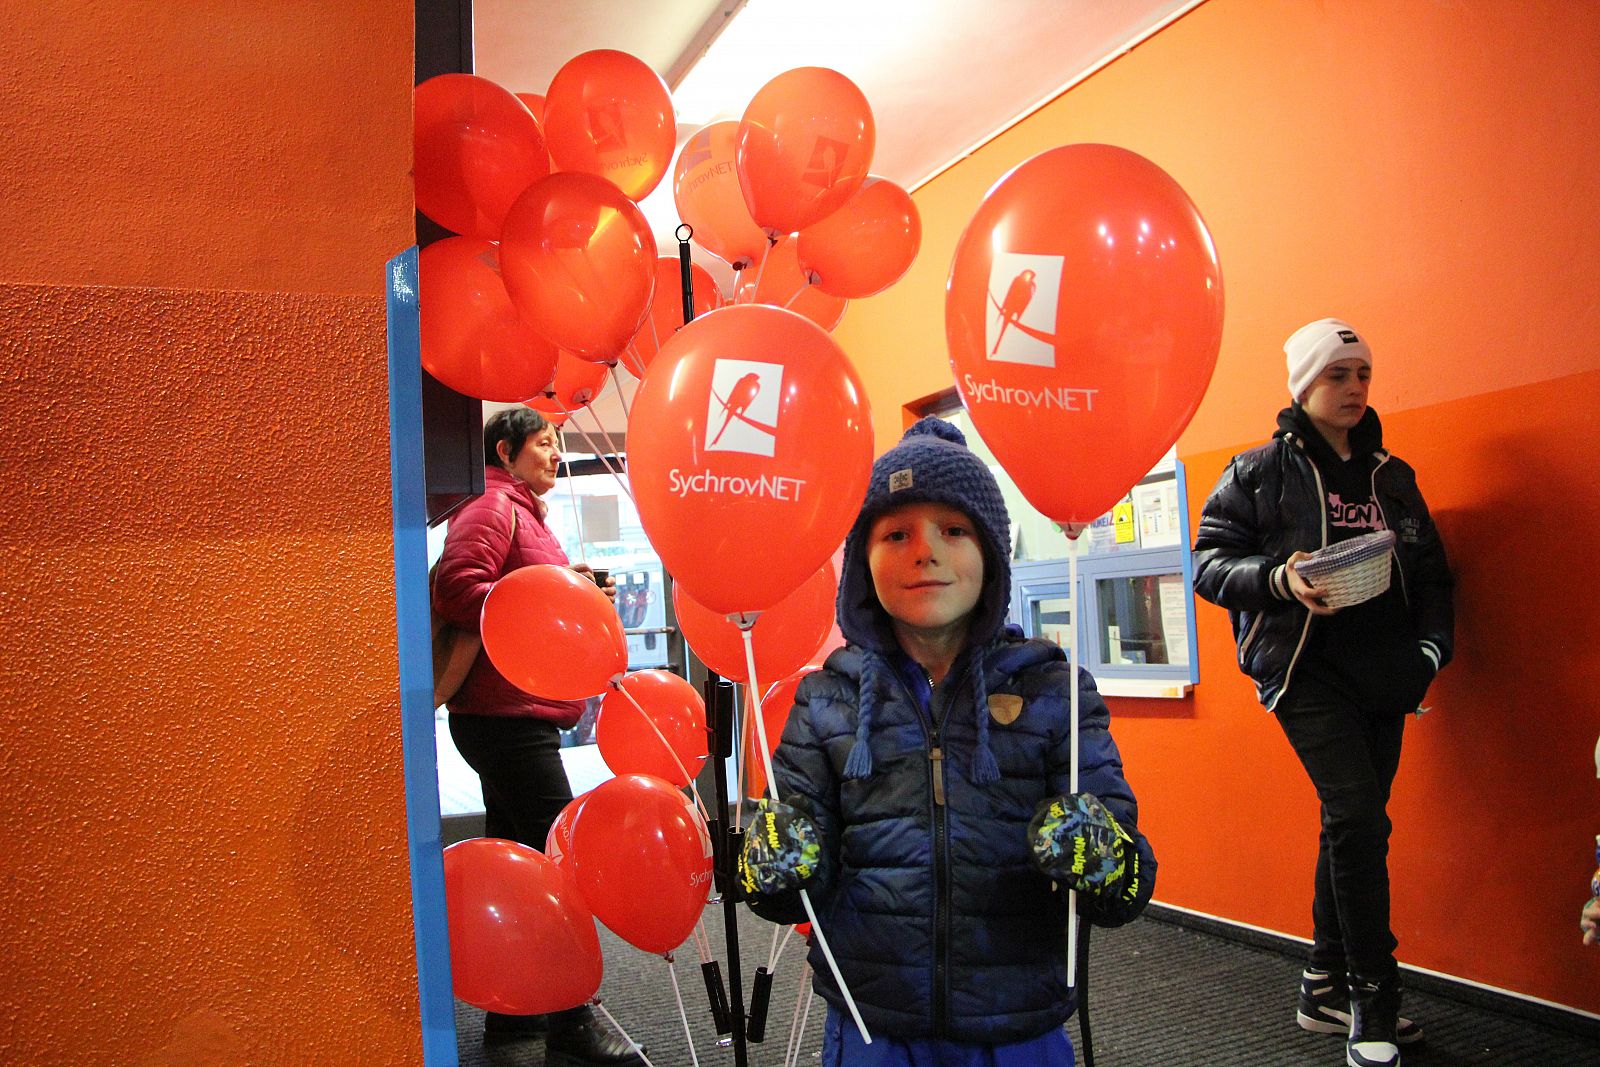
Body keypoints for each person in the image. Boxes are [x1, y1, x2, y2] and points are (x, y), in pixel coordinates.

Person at [739, 417, 1157, 1066]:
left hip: (1017, 1025)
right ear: (862, 562)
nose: (924, 552)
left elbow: (1127, 884)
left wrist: (1103, 857)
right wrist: (771, 867)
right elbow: (796, 893)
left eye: (953, 530)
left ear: (991, 554)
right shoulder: (825, 700)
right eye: (895, 534)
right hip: (873, 1024)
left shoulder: (1053, 690)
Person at [1193, 318, 1454, 1067]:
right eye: (1338, 374)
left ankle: (1322, 982)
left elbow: (1433, 575)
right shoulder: (1258, 471)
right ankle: (1374, 998)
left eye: (1363, 373)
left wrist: (1431, 651)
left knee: (1352, 824)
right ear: (1305, 384)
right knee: (1360, 817)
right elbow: (1208, 562)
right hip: (1305, 672)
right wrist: (1279, 578)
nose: (1354, 387)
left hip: (1388, 674)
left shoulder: (1393, 476)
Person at [431, 407, 639, 1065]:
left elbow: (520, 591)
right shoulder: (494, 504)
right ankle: (572, 1023)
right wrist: (548, 596)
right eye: (545, 443)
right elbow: (458, 587)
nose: (555, 453)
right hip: (505, 718)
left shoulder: (523, 512)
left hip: (515, 715)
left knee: (521, 864)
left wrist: (573, 587)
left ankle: (513, 1014)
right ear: (505, 450)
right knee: (561, 863)